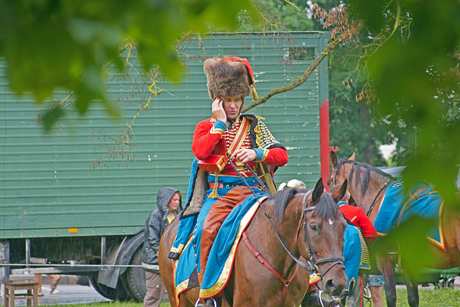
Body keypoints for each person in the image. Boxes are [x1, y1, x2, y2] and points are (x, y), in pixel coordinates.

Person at [168, 56, 289, 307]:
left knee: (291, 223)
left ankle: (310, 286)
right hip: (219, 195)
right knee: (204, 230)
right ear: (218, 100)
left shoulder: (255, 126)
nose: (234, 106)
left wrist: (257, 153)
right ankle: (207, 293)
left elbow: (282, 155)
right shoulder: (207, 126)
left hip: (255, 193)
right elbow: (201, 152)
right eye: (229, 100)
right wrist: (220, 124)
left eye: (237, 100)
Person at [331, 184, 383, 307]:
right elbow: (371, 234)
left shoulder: (327, 213)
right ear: (348, 196)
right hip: (355, 262)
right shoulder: (356, 211)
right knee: (354, 297)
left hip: (331, 260)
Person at [142, 187, 182, 307]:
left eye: (178, 200)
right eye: (174, 200)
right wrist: (164, 257)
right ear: (165, 200)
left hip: (171, 262)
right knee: (154, 295)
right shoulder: (155, 216)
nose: (177, 203)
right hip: (155, 264)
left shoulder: (178, 215)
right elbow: (153, 241)